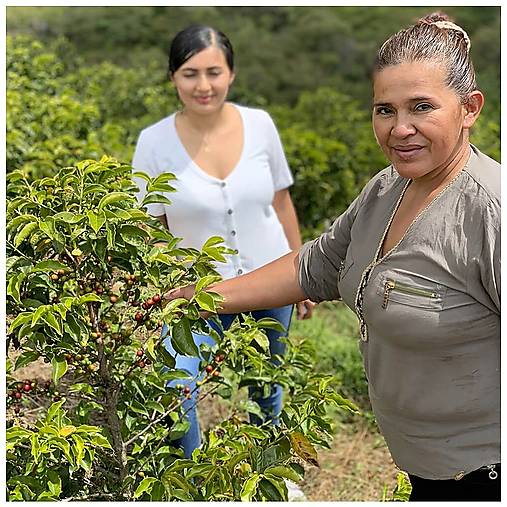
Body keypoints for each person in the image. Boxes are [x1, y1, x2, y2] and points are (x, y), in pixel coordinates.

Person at [165, 13, 500, 502]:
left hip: (484, 473)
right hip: (428, 468)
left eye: (421, 107)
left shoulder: (489, 212)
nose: (400, 129)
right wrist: (201, 297)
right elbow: (316, 264)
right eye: (384, 110)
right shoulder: (387, 188)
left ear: (469, 108)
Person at [132, 24, 315, 462]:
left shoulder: (260, 125)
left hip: (271, 280)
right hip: (198, 292)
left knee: (267, 384)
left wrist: (303, 274)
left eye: (214, 72)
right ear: (173, 77)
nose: (203, 85)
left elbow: (282, 201)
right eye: (190, 73)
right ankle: (190, 480)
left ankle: (269, 473)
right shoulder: (153, 142)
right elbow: (149, 227)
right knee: (176, 385)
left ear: (231, 74)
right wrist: (163, 288)